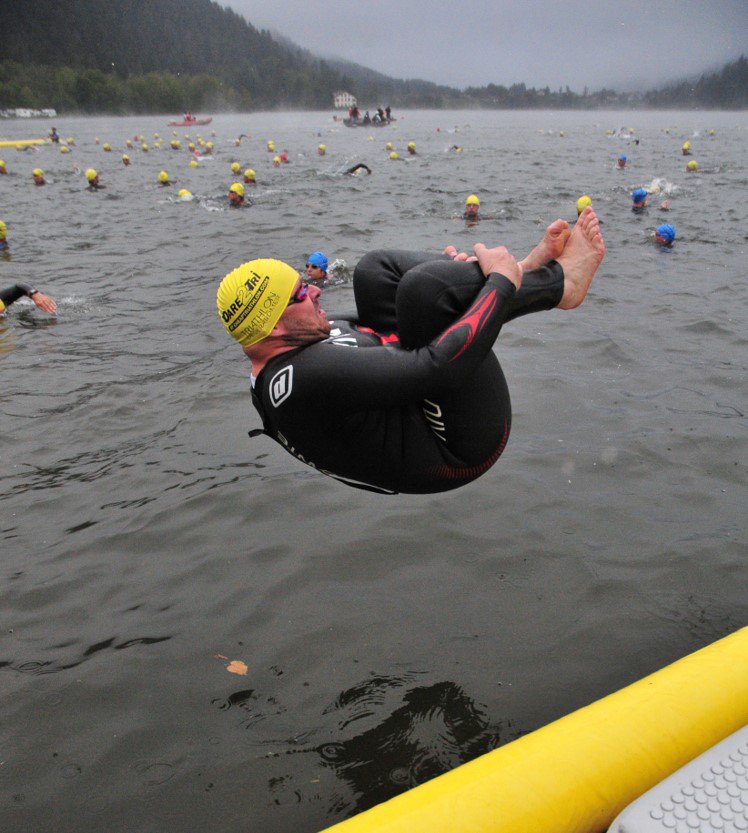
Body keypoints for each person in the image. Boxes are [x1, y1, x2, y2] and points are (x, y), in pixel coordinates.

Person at [216, 208, 605, 494]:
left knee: (374, 271)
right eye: (300, 294)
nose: (315, 291)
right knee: (426, 291)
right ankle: (558, 285)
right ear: (275, 326)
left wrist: (465, 286)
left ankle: (525, 269)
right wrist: (496, 286)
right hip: (459, 446)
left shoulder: (294, 337)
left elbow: (390, 327)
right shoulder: (303, 378)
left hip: (414, 395)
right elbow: (437, 370)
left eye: (304, 283)